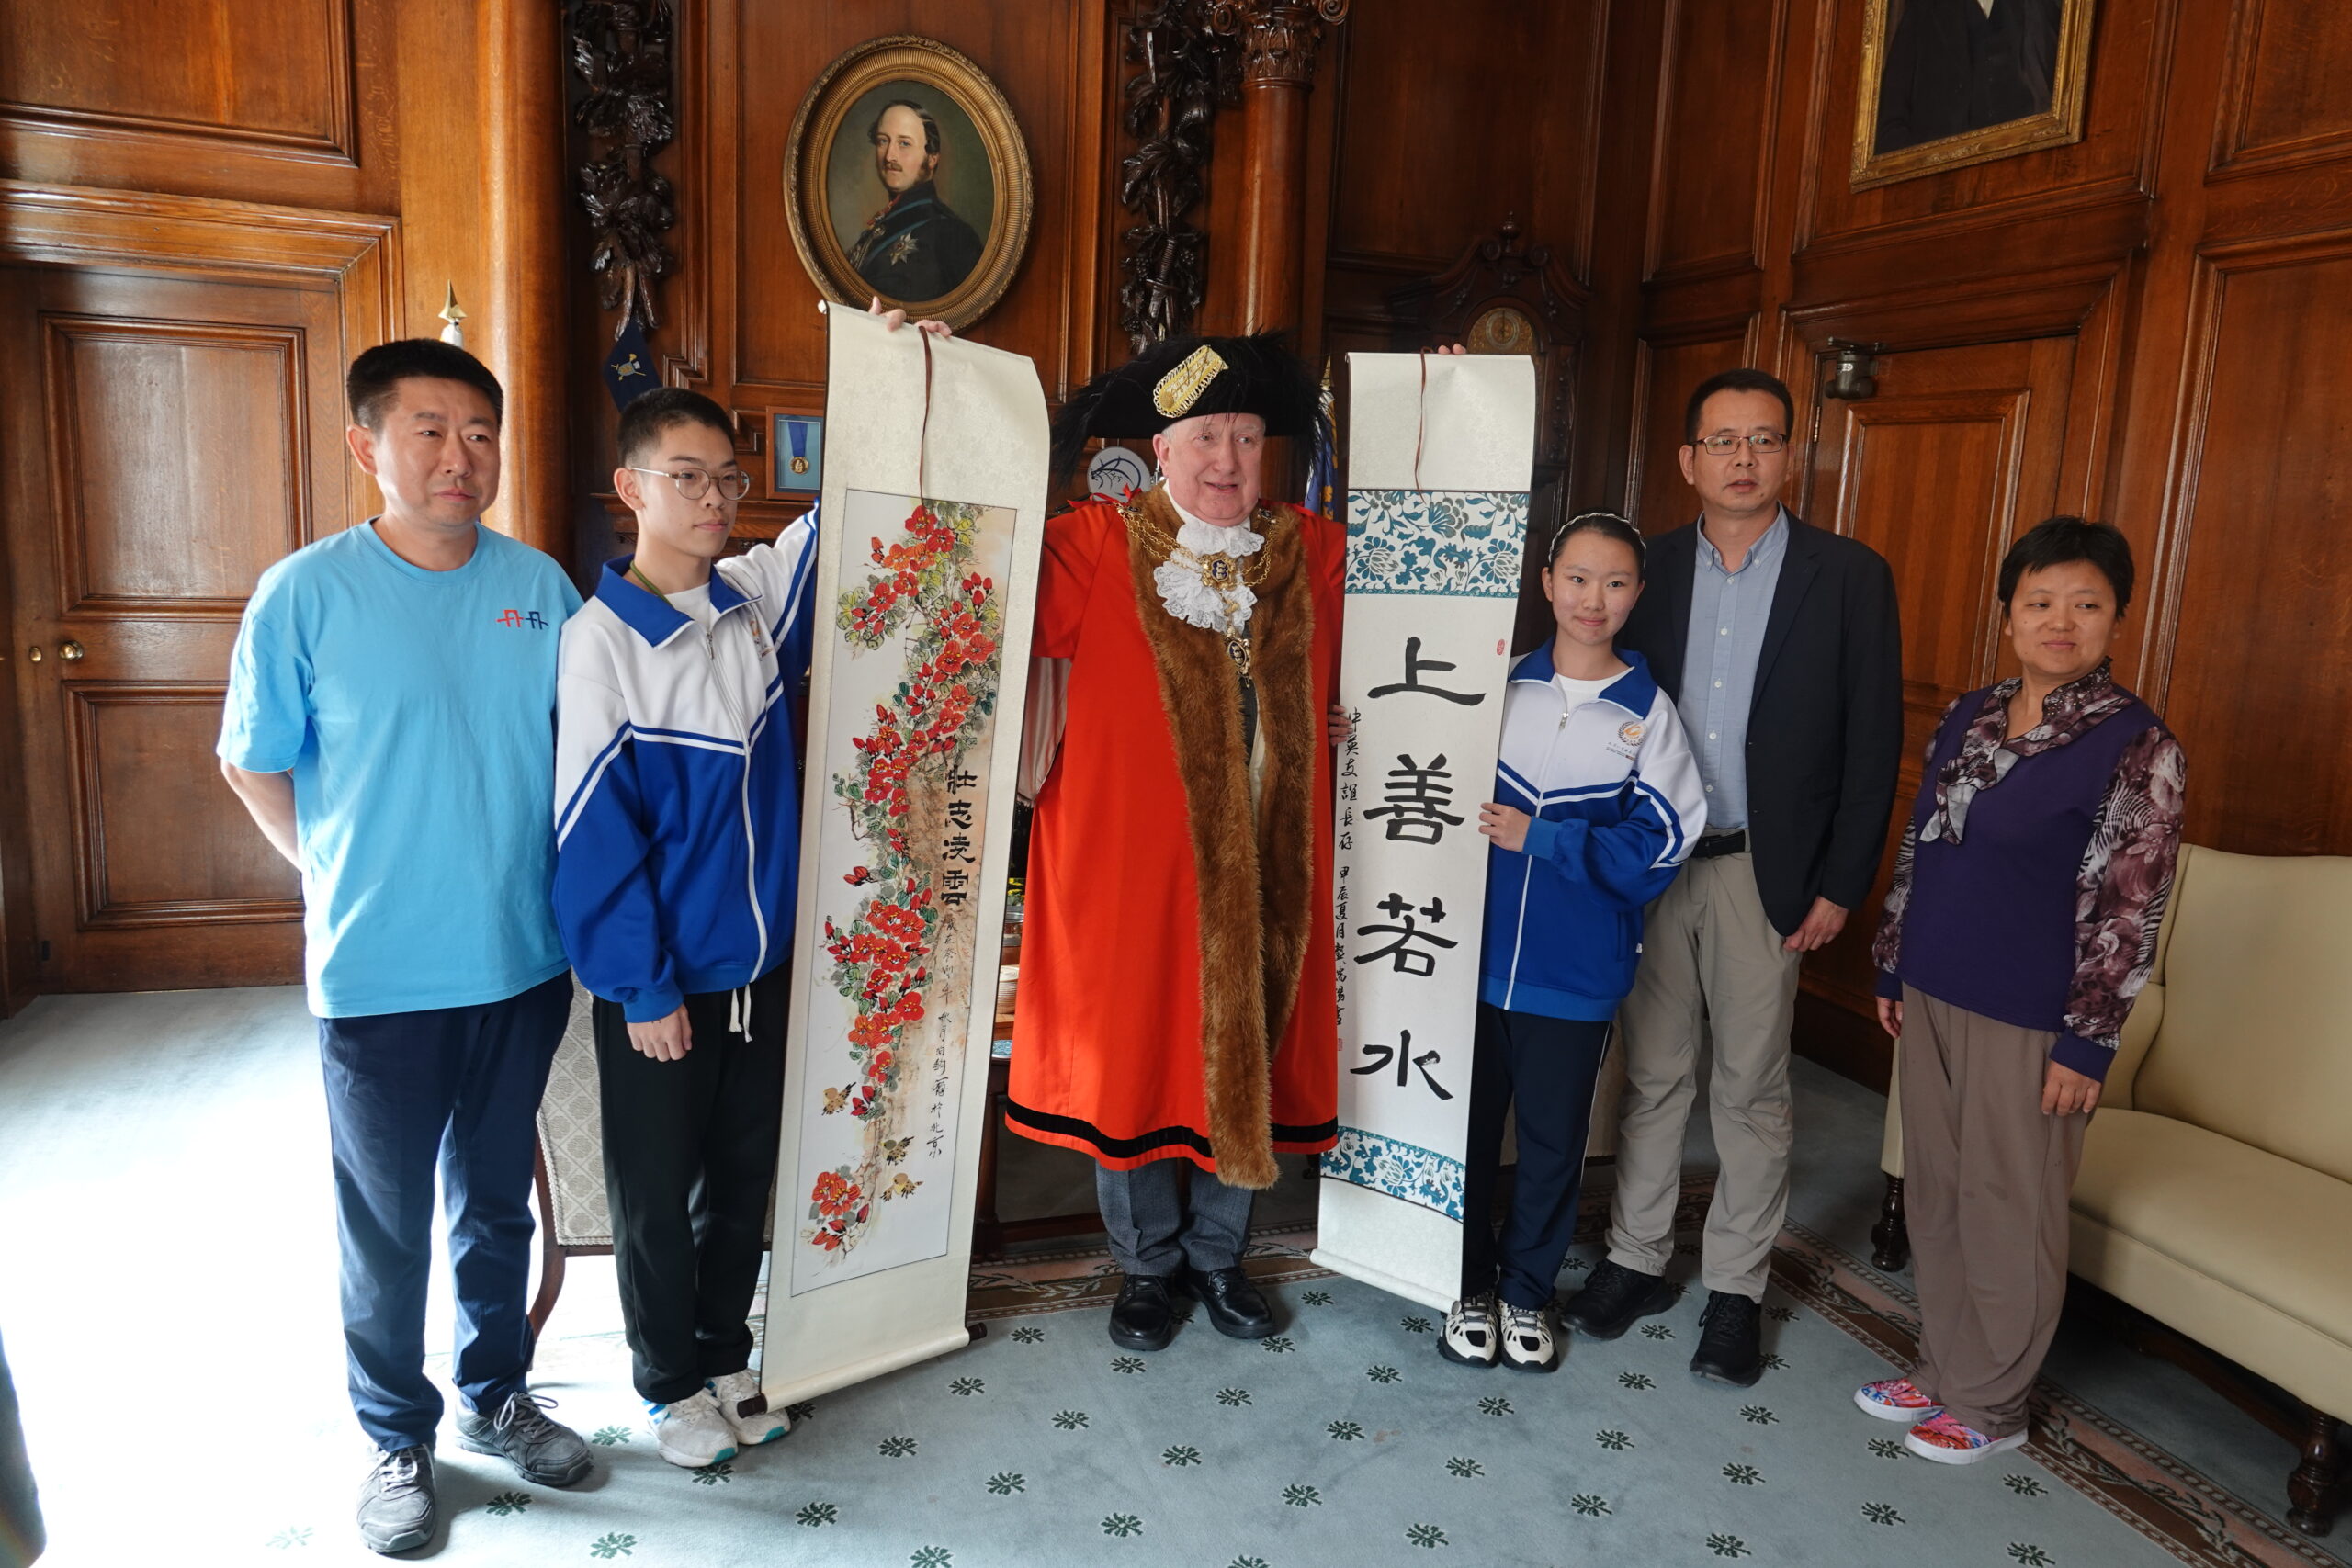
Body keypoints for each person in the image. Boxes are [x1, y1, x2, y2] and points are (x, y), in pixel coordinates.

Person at [219, 341, 590, 1555]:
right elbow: (251, 756)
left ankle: (495, 1392)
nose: (459, 456)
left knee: (495, 1207)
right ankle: (395, 1430)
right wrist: (325, 870)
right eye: (428, 429)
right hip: (378, 977)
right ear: (364, 443)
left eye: (480, 431)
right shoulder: (303, 594)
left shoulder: (539, 587)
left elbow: (588, 747)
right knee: (383, 1222)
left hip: (520, 958)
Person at [1564, 367, 1903, 1386]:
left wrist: (1843, 881)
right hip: (1656, 862)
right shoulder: (1647, 568)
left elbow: (1872, 738)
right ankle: (1634, 1260)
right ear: (1687, 461)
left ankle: (1735, 1291)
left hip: (1770, 867)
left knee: (1751, 1089)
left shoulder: (1847, 575)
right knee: (1654, 1074)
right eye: (1722, 442)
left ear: (1790, 455)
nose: (1742, 459)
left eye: (1762, 440)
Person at [1010, 333, 1342, 1353]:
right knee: (1135, 1065)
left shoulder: (1311, 552)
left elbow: (1431, 569)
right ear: (1161, 447)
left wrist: (1448, 402)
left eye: (1246, 437)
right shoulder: (1094, 545)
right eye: (1206, 435)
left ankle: (1218, 1255)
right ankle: (1146, 1266)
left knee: (1239, 1053)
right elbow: (971, 552)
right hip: (1125, 879)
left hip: (1266, 869)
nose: (1228, 461)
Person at [1857, 516, 2184, 1463]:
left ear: (2116, 619)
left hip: (2034, 1015)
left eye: (2085, 605)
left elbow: (2132, 909)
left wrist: (2087, 1043)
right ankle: (1941, 1366)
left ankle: (1993, 1406)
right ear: (2008, 615)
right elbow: (1921, 845)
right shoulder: (1971, 714)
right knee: (1941, 1188)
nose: (2060, 621)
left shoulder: (2137, 745)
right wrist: (1891, 960)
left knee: (2011, 1204)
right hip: (1933, 984)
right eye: (2040, 602)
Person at [552, 388, 808, 1470]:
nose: (713, 499)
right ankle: (666, 1383)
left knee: (742, 1177)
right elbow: (591, 834)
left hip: (761, 966)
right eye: (686, 476)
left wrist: (906, 371)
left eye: (728, 478)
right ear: (632, 488)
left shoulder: (752, 600)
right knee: (655, 1190)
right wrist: (642, 987)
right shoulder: (599, 640)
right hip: (664, 981)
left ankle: (721, 1352)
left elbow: (839, 514)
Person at [1442, 513, 1705, 1374]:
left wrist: (1544, 838)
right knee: (1469, 1133)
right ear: (1548, 581)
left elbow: (1662, 844)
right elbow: (1423, 774)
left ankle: (1525, 1293)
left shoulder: (1648, 714)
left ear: (1636, 595)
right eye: (1579, 578)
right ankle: (1468, 1285)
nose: (1595, 598)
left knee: (1554, 1143)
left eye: (1617, 581)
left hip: (1575, 976)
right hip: (1464, 966)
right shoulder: (1493, 687)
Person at [849, 99, 984, 302]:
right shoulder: (884, 223)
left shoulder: (953, 235)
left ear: (932, 158)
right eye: (883, 141)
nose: (889, 156)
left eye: (904, 143)